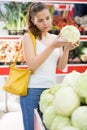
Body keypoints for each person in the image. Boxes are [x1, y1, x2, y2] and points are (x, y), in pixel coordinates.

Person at [20, 2, 79, 130]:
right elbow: (33, 65)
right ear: (33, 20)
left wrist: (67, 49)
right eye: (40, 20)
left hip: (51, 91)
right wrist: (53, 46)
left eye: (47, 18)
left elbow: (61, 67)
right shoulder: (28, 38)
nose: (45, 23)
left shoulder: (55, 37)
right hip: (32, 91)